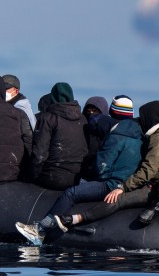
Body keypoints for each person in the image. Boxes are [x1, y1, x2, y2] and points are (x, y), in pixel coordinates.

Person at [15, 96, 143, 243]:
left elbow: (101, 169)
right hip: (128, 184)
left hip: (111, 184)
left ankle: (40, 230)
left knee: (72, 193)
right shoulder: (137, 135)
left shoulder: (114, 137)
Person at [53, 100, 159, 230]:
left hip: (153, 187)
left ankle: (72, 220)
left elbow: (148, 170)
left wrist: (123, 187)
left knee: (115, 199)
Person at [28, 82, 89, 190]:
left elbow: (39, 154)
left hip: (53, 177)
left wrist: (33, 176)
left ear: (53, 97)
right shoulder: (82, 119)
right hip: (76, 179)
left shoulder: (48, 118)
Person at [80, 96, 114, 182]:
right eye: (88, 111)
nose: (91, 114)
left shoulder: (110, 131)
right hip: (83, 174)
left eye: (95, 111)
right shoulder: (82, 128)